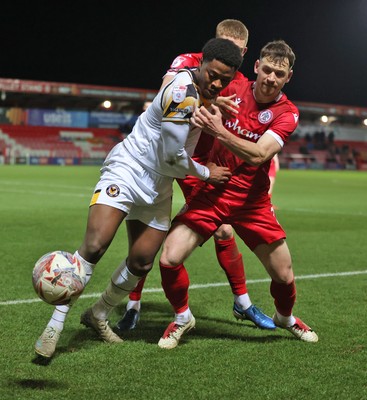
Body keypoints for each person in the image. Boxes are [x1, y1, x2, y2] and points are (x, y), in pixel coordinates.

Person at [34, 37, 244, 358]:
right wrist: (207, 173)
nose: (216, 83)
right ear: (200, 64)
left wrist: (212, 102)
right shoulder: (182, 94)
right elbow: (173, 157)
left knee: (142, 260)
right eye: (212, 75)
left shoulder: (200, 90)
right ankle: (55, 323)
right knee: (95, 246)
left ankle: (99, 314)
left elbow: (171, 160)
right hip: (130, 169)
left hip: (159, 184)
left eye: (224, 79)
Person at [157, 39, 319, 349]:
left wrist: (219, 131)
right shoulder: (234, 84)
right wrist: (209, 101)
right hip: (213, 191)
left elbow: (259, 155)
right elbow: (198, 74)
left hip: (252, 203)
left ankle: (285, 317)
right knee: (169, 257)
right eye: (267, 70)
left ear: (288, 78)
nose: (271, 78)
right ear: (256, 67)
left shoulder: (288, 113)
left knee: (283, 277)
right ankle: (181, 318)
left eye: (279, 74)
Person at [117, 19, 276, 333]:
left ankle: (242, 302)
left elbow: (253, 135)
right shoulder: (189, 62)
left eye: (235, 50)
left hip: (204, 165)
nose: (226, 55)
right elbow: (166, 92)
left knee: (225, 232)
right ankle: (133, 304)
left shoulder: (244, 83)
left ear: (244, 52)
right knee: (147, 232)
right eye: (222, 46)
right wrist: (211, 100)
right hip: (167, 158)